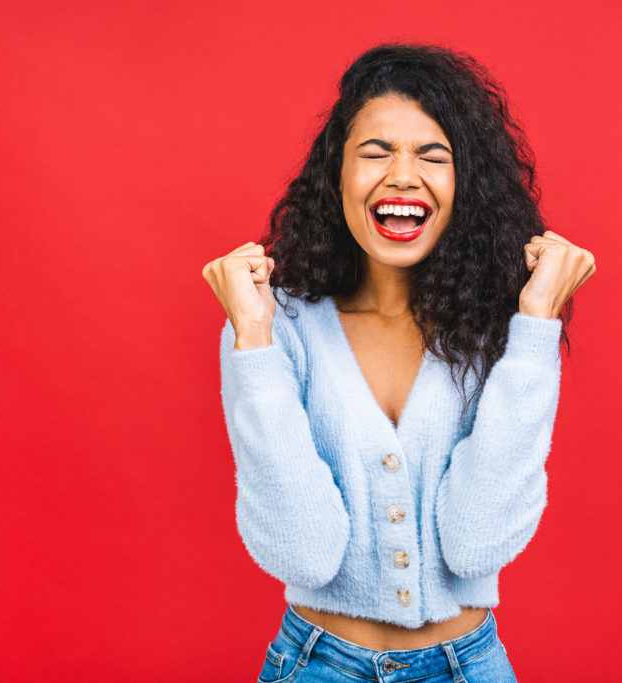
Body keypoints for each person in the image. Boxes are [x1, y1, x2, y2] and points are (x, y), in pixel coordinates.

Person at [202, 43, 595, 682]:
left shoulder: (500, 327)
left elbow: (478, 542)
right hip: (315, 667)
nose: (403, 176)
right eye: (376, 153)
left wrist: (537, 324)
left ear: (464, 184)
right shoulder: (275, 326)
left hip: (467, 665)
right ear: (337, 177)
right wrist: (252, 340)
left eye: (432, 155)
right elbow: (305, 552)